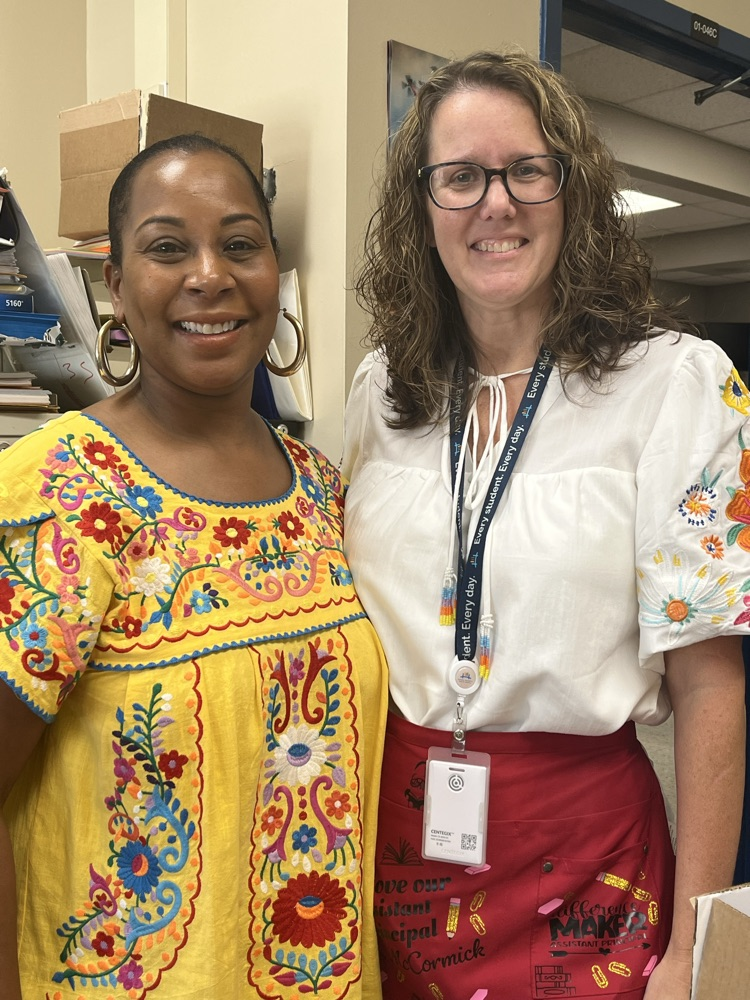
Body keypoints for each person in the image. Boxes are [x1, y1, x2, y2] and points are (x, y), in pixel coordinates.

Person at [342, 49, 747, 1000]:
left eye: (529, 169)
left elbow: (710, 684)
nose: (497, 203)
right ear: (422, 206)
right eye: (462, 177)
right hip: (396, 858)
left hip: (591, 861)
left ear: (573, 187)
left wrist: (696, 945)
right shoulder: (382, 392)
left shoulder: (676, 386)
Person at [0, 134, 388, 999]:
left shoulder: (324, 491)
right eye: (168, 246)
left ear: (275, 276)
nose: (210, 274)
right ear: (117, 287)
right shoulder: (56, 489)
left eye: (241, 244)